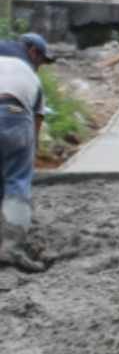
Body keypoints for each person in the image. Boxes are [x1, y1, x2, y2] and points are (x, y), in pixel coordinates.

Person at [0, 33, 55, 272]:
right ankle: (11, 248)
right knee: (17, 181)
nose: (40, 67)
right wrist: (30, 156)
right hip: (15, 114)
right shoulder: (30, 76)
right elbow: (36, 124)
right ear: (32, 52)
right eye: (41, 62)